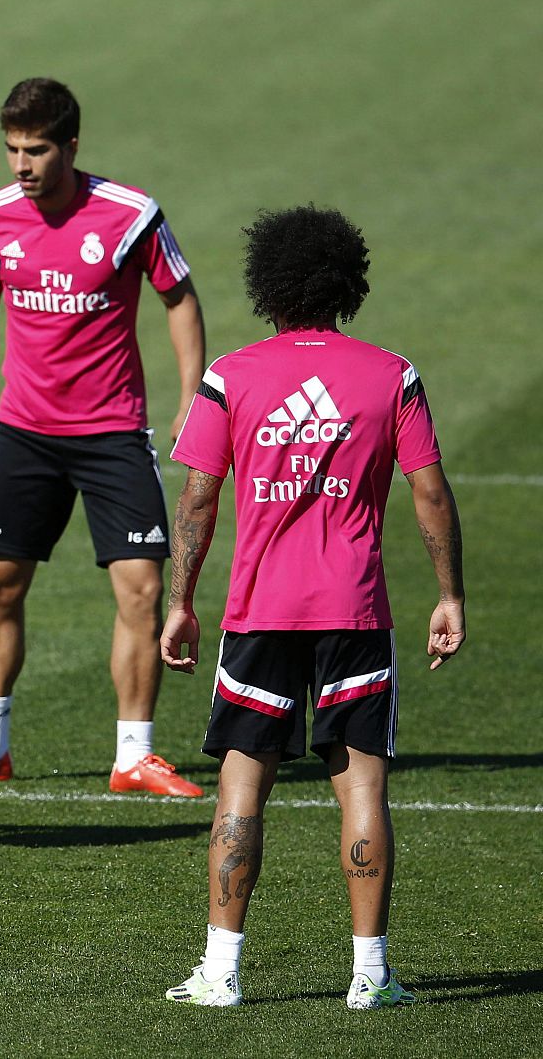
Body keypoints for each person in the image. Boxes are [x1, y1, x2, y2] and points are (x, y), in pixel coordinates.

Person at [161, 205, 464, 1007]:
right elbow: (429, 492)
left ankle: (221, 973)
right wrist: (449, 593)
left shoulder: (232, 374)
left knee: (240, 790)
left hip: (259, 611)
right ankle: (371, 976)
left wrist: (182, 602)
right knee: (362, 790)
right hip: (355, 613)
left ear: (269, 285)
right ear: (346, 281)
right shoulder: (390, 373)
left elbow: (197, 498)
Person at [0, 78, 207, 795]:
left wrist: (193, 398)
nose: (21, 164)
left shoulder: (131, 215)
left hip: (113, 432)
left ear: (71, 145)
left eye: (36, 149)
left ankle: (134, 755)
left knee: (140, 591)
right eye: (12, 149)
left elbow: (179, 299)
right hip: (25, 433)